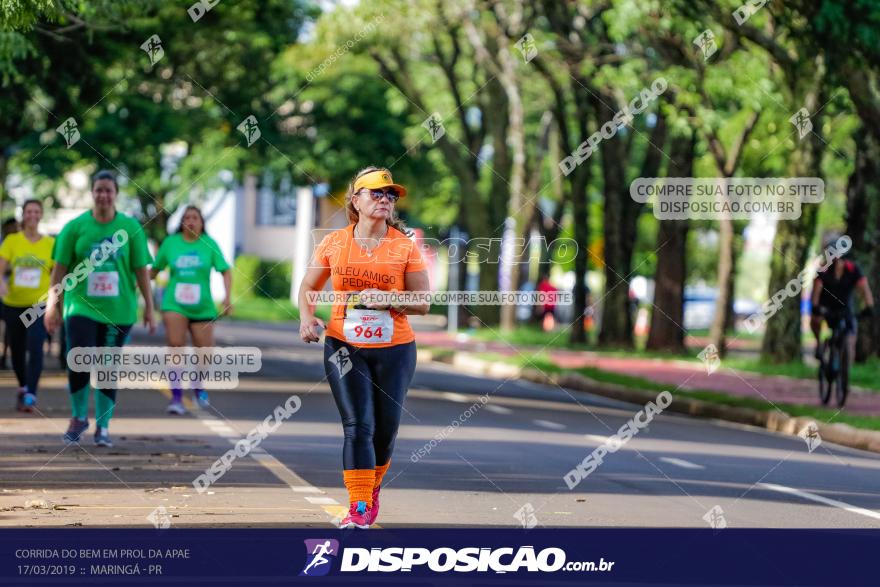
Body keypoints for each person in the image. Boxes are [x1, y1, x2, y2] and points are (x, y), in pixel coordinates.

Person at [298, 167, 429, 529]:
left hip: (395, 349)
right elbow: (308, 287)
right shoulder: (334, 243)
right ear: (355, 200)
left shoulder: (403, 246)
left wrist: (388, 298)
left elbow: (423, 302)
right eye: (377, 193)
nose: (385, 200)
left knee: (385, 432)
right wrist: (307, 318)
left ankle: (370, 490)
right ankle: (357, 506)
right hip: (343, 344)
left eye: (391, 195)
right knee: (358, 425)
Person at [45, 170, 155, 447]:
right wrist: (51, 307)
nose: (103, 195)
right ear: (92, 193)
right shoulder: (75, 227)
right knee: (79, 359)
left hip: (118, 310)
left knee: (107, 368)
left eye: (109, 190)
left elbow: (141, 271)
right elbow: (58, 271)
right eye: (99, 190)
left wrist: (150, 308)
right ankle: (78, 416)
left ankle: (103, 426)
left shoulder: (130, 228)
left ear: (116, 194)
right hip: (81, 305)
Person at [151, 205, 232, 414]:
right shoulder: (170, 243)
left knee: (205, 353)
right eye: (186, 217)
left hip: (202, 306)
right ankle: (176, 397)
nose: (191, 221)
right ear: (181, 222)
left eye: (195, 217)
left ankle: (198, 385)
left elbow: (225, 271)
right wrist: (136, 286)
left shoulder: (209, 244)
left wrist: (227, 297)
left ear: (202, 222)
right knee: (176, 345)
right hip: (174, 304)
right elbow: (154, 270)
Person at [0, 200, 54, 411]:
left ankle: (31, 392)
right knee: (17, 349)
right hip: (13, 303)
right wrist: (1, 286)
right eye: (29, 211)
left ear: (41, 215)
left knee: (36, 345)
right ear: (24, 215)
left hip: (38, 304)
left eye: (36, 211)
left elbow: (55, 274)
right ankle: (23, 385)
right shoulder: (12, 241)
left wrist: (54, 302)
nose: (32, 215)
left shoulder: (50, 244)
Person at [810, 235, 874, 362]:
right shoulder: (823, 270)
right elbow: (816, 292)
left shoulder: (853, 269)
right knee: (815, 320)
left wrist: (869, 307)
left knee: (850, 339)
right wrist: (816, 308)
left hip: (845, 307)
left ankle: (845, 371)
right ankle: (818, 343)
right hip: (826, 306)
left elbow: (864, 289)